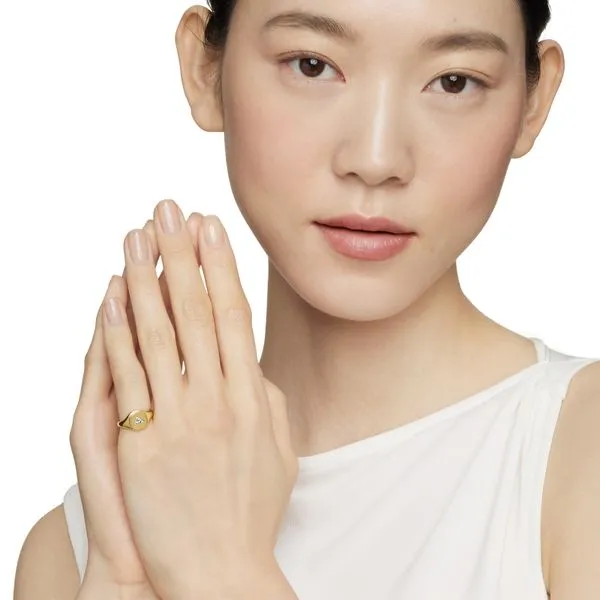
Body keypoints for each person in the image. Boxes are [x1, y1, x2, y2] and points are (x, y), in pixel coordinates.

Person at [12, 0, 600, 598]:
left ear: (534, 101)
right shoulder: (74, 552)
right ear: (204, 69)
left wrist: (219, 571)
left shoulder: (580, 451)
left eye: (454, 82)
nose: (376, 160)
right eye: (312, 65)